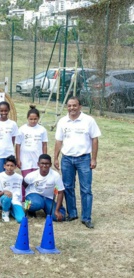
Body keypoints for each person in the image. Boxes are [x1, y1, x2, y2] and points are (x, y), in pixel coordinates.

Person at [54, 97, 101, 229]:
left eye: (74, 106)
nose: (72, 108)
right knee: (68, 187)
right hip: (67, 159)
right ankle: (72, 213)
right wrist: (56, 158)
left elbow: (95, 139)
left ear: (80, 106)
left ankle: (86, 218)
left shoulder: (88, 120)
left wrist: (93, 158)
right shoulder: (63, 121)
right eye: (69, 106)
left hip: (84, 159)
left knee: (86, 189)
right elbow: (58, 141)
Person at [15, 105, 48, 201]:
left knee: (36, 181)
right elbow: (18, 145)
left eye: (35, 119)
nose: (33, 121)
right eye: (31, 119)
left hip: (37, 160)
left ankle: (33, 201)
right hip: (25, 159)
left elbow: (44, 145)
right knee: (26, 180)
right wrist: (18, 159)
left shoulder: (42, 130)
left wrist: (44, 159)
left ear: (38, 118)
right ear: (27, 118)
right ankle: (23, 199)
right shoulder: (21, 129)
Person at [24, 154, 66, 222]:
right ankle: (29, 210)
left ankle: (56, 208)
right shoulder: (31, 175)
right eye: (42, 163)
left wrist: (57, 210)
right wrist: (28, 194)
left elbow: (61, 192)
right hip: (33, 195)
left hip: (48, 198)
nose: (44, 166)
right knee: (37, 203)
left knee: (58, 218)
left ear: (50, 164)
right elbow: (24, 183)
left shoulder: (56, 176)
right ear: (38, 164)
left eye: (47, 164)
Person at [0, 101, 19, 174]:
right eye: (1, 110)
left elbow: (13, 139)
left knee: (9, 174)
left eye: (5, 110)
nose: (4, 112)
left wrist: (9, 148)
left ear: (9, 110)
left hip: (9, 153)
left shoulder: (13, 124)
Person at [0, 155, 24, 223]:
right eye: (7, 165)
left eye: (12, 165)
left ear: (15, 167)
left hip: (15, 200)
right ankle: (5, 212)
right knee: (7, 197)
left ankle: (12, 211)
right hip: (3, 199)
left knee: (21, 219)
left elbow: (19, 193)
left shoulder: (19, 177)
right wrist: (4, 192)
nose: (9, 168)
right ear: (4, 166)